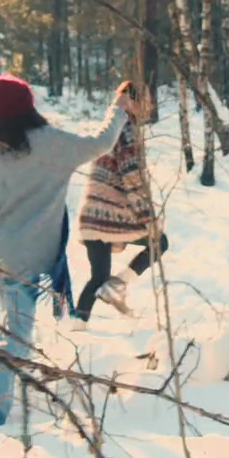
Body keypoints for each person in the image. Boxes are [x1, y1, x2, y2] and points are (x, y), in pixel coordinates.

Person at [0, 75, 134, 429]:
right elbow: (102, 143)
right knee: (18, 331)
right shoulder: (53, 144)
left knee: (17, 326)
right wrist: (118, 109)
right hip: (29, 256)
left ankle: (2, 378)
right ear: (28, 106)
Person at [73, 111, 169, 322]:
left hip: (91, 217)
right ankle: (117, 284)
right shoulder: (127, 132)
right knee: (159, 242)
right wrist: (149, 219)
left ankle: (78, 325)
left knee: (99, 278)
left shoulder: (108, 129)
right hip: (111, 218)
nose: (150, 106)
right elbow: (133, 180)